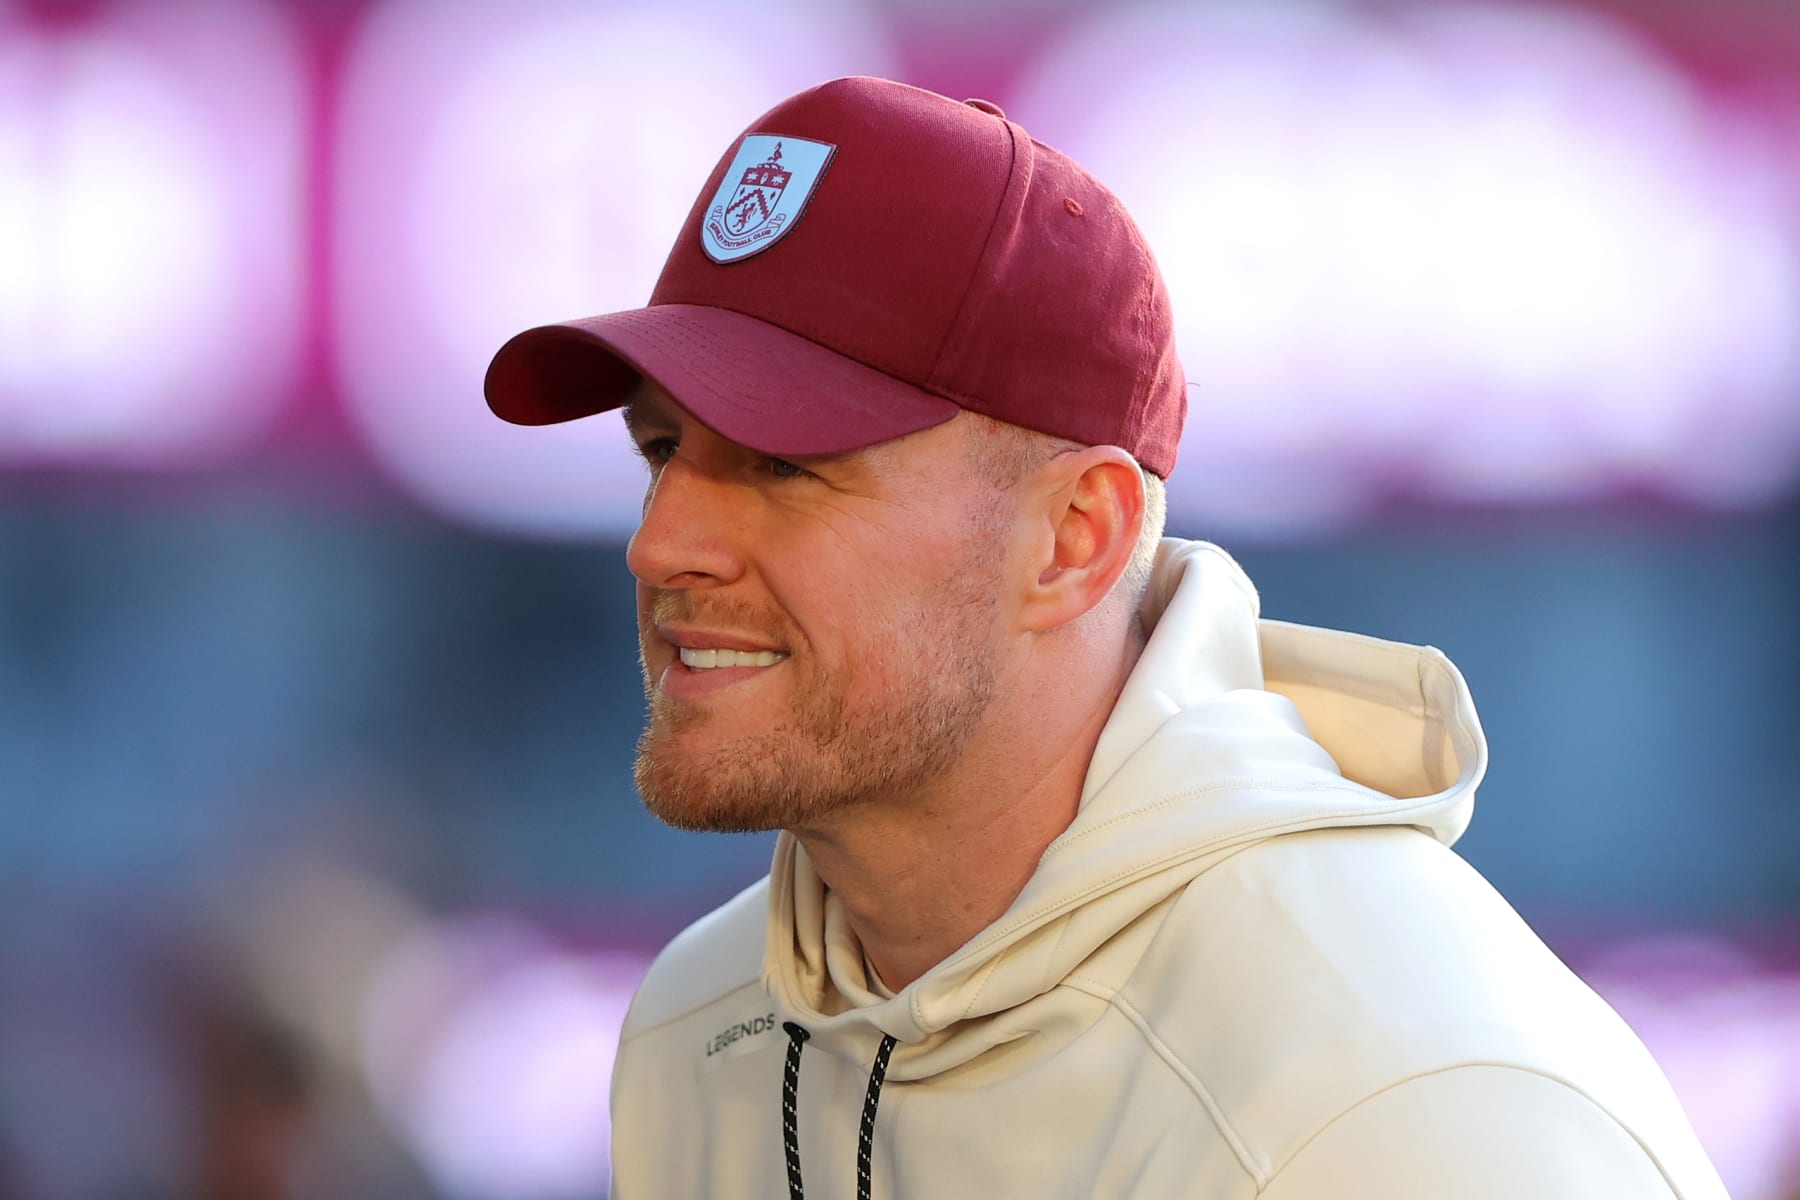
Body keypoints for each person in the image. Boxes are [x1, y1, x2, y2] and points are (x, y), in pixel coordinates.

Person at [484, 76, 1726, 1200]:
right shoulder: (699, 1030)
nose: (660, 545)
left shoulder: (1413, 1106)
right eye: (662, 452)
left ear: (1076, 537)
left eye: (781, 462)